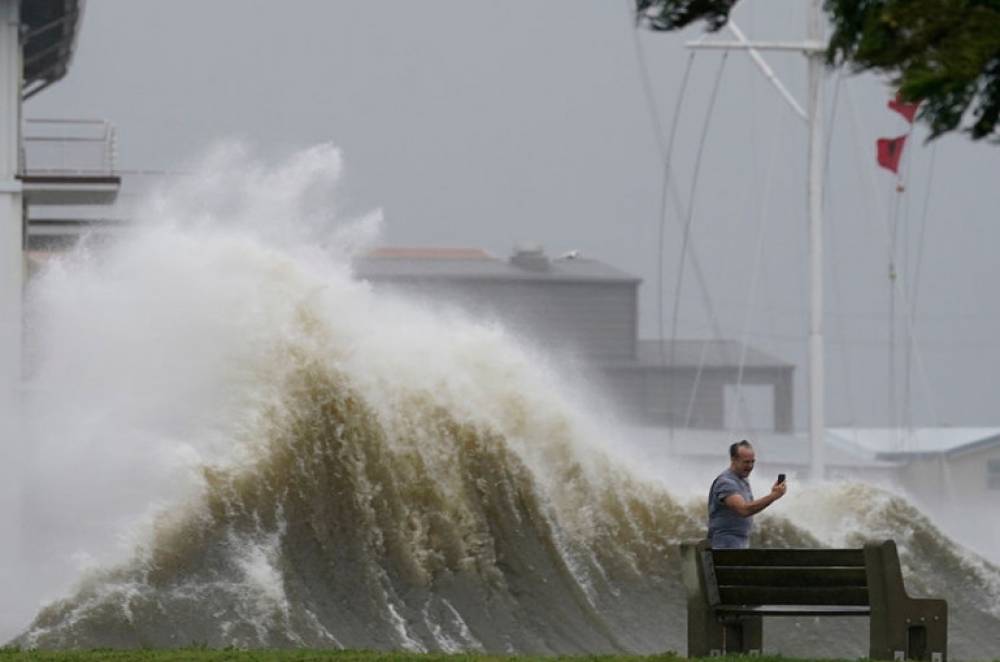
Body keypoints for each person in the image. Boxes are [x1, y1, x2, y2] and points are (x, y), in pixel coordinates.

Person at [707, 440, 786, 549]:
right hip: (724, 546)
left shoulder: (742, 480)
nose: (750, 466)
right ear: (733, 460)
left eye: (752, 462)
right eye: (746, 462)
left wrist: (773, 494)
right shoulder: (726, 482)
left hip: (739, 545)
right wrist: (773, 496)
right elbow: (743, 510)